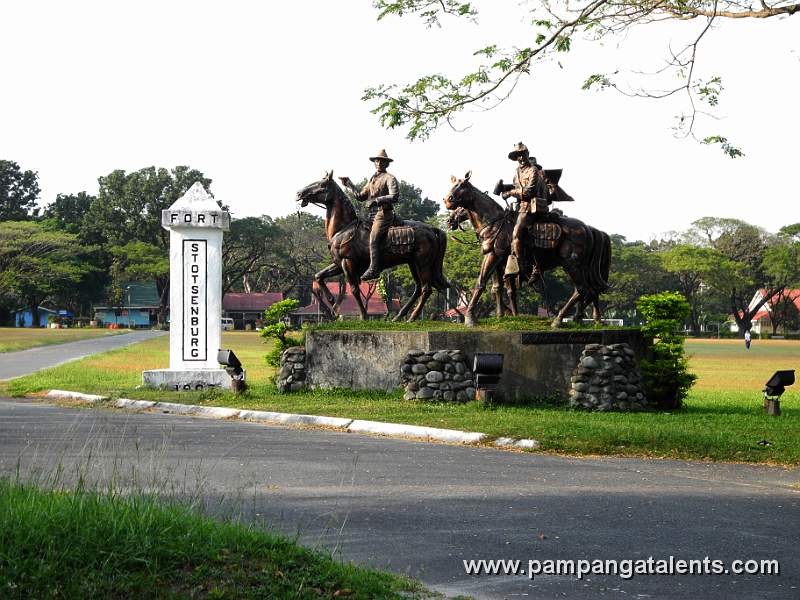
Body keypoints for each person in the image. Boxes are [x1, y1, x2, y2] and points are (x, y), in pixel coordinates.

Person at [339, 149, 400, 281]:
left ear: (386, 164)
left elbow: (394, 196)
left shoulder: (390, 178)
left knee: (373, 239)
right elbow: (361, 196)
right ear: (374, 163)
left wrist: (377, 200)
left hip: (383, 214)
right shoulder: (372, 179)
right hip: (371, 215)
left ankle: (374, 269)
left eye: (382, 161)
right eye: (377, 161)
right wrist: (349, 184)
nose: (379, 163)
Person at [494, 142, 548, 285]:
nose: (521, 158)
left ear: (527, 155)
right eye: (518, 156)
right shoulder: (517, 171)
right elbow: (517, 187)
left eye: (523, 154)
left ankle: (520, 267)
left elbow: (528, 191)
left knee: (516, 234)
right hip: (520, 207)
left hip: (531, 207)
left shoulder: (533, 171)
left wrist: (510, 192)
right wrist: (504, 189)